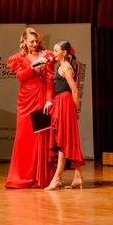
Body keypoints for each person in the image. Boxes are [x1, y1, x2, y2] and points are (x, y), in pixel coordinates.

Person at [5, 27, 54, 189]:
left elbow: (50, 79)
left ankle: (40, 178)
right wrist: (33, 67)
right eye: (31, 41)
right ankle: (23, 176)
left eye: (36, 41)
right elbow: (20, 77)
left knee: (41, 137)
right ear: (24, 41)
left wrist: (49, 99)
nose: (34, 44)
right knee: (24, 138)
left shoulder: (45, 55)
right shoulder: (19, 58)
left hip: (42, 100)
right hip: (26, 101)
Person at [45, 41, 85, 190]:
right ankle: (78, 177)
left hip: (66, 103)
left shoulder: (66, 67)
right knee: (66, 138)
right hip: (60, 102)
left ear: (64, 53)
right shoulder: (60, 66)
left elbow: (74, 90)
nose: (53, 53)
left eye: (56, 51)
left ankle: (57, 178)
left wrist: (76, 111)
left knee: (63, 139)